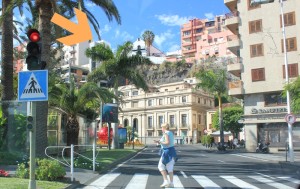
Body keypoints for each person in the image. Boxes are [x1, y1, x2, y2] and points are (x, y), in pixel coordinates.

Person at [154, 123, 177, 188]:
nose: (161, 129)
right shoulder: (171, 133)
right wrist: (159, 141)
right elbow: (171, 142)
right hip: (171, 151)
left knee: (160, 166)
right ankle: (171, 183)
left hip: (166, 152)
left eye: (161, 127)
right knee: (170, 168)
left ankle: (166, 181)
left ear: (164, 128)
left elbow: (167, 142)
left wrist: (160, 142)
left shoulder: (166, 133)